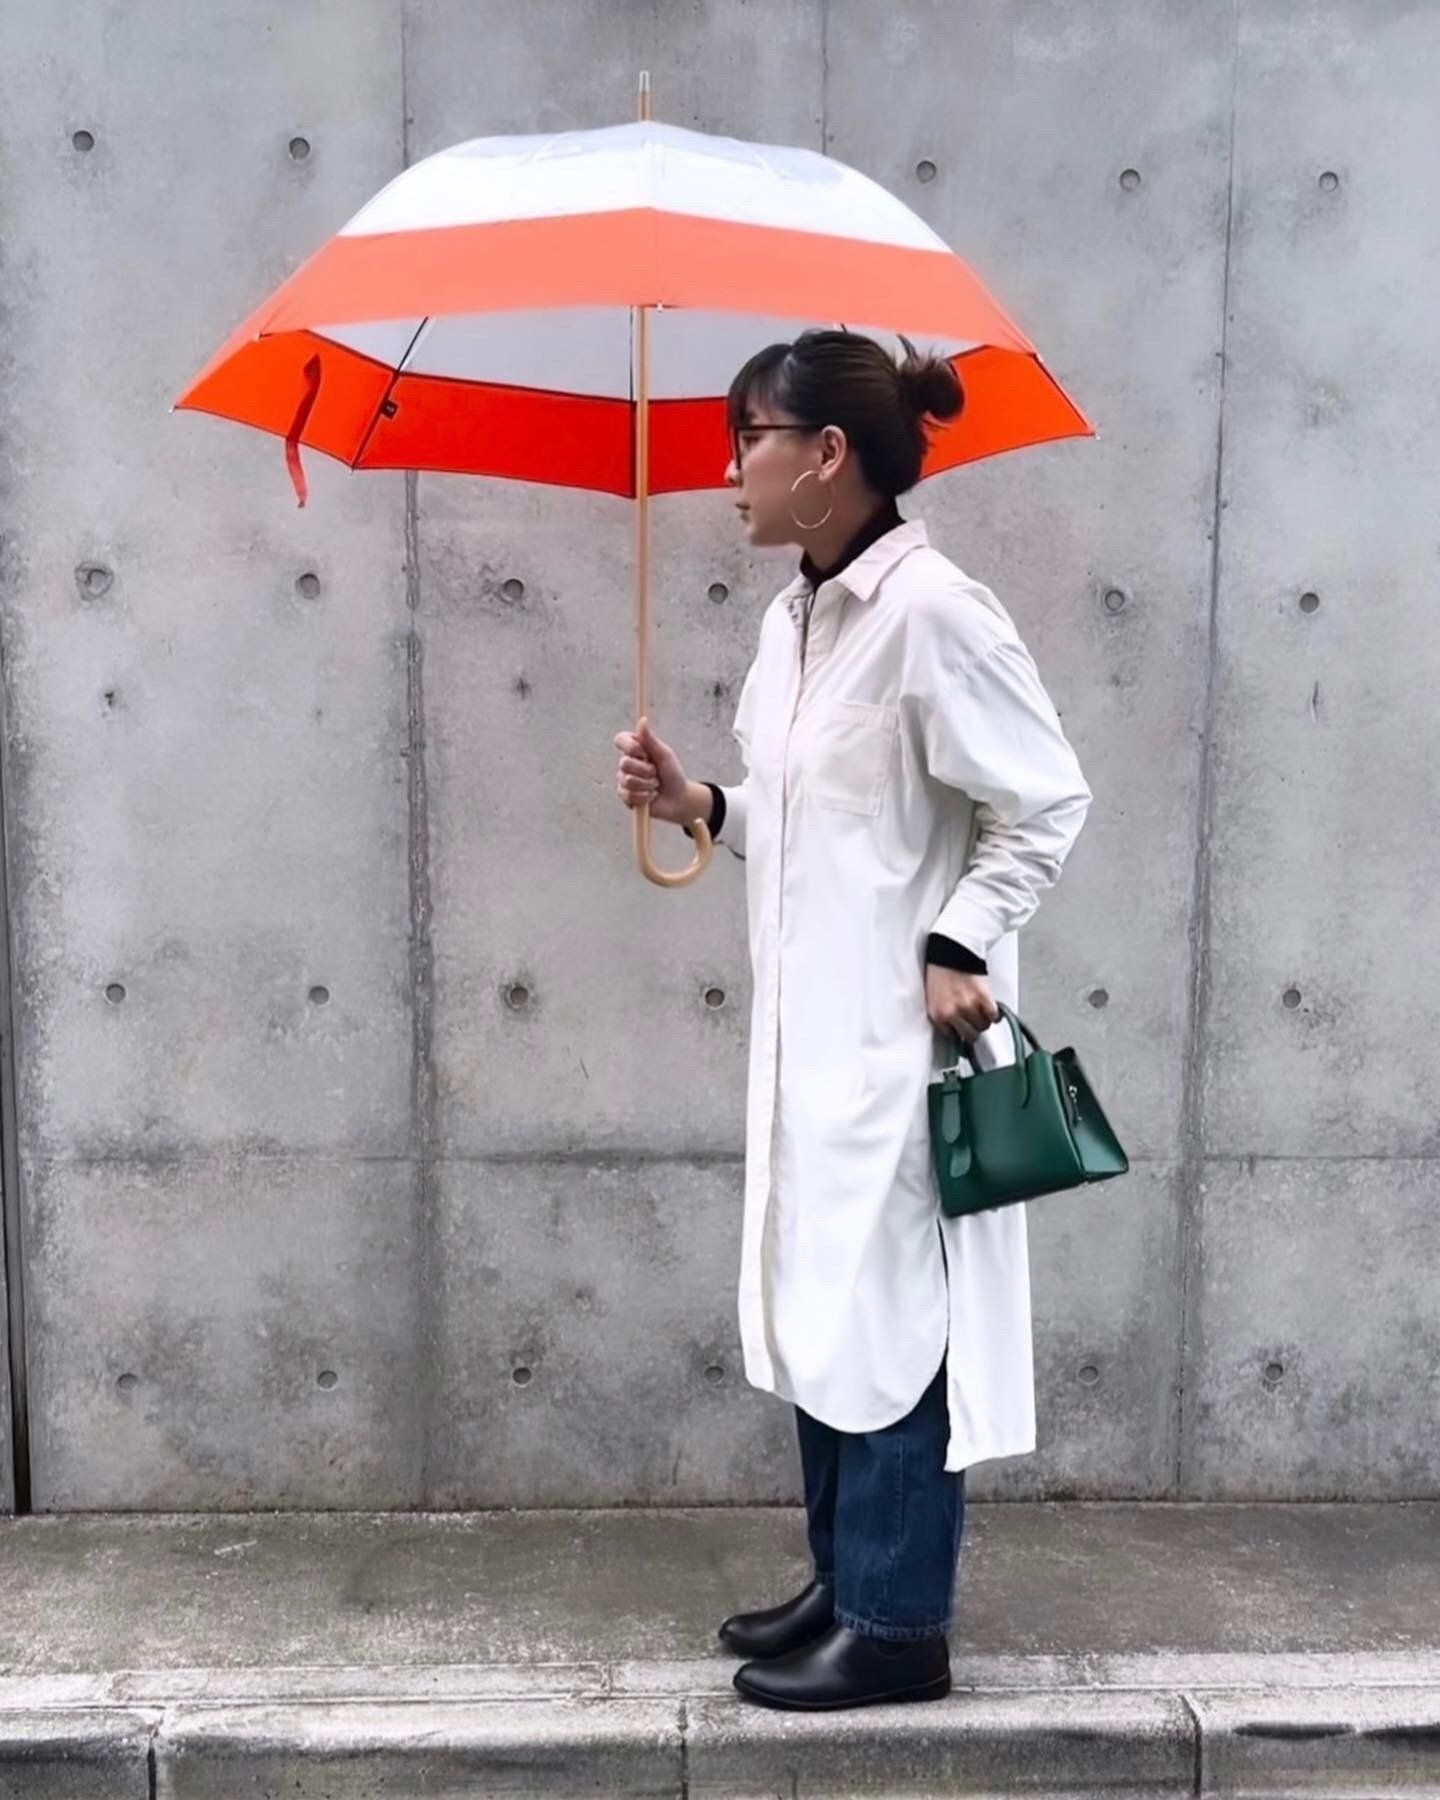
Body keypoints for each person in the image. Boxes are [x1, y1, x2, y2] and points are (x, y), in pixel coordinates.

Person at [613, 328, 1091, 1711]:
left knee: (895, 1319)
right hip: (807, 1040)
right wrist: (702, 804)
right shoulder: (798, 620)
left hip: (898, 1045)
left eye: (748, 439)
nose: (729, 470)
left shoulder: (935, 613)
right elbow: (814, 821)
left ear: (827, 454)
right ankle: (845, 1578)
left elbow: (1044, 800)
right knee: (823, 1305)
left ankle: (896, 1628)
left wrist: (960, 938)